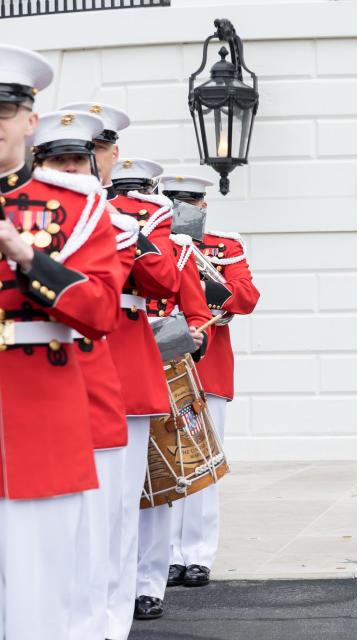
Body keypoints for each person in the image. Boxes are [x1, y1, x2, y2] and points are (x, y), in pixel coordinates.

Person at [0, 46, 123, 639]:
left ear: (29, 118)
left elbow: (100, 311)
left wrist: (28, 257)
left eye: (3, 109)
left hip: (39, 419)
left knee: (43, 597)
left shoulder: (74, 206)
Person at [164, 174, 260, 586]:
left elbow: (247, 297)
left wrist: (201, 285)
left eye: (191, 201)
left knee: (203, 462)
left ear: (204, 205)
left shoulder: (224, 245)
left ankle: (198, 554)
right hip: (163, 362)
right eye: (176, 201)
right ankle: (166, 554)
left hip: (208, 367)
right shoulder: (153, 244)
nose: (185, 208)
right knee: (166, 463)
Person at [106, 157, 182, 640]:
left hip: (134, 351)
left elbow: (169, 283)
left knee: (139, 491)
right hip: (78, 354)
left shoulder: (150, 217)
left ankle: (140, 587)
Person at [134, 179, 212, 620]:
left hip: (163, 367)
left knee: (161, 479)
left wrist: (191, 334)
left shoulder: (174, 244)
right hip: (112, 364)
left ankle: (149, 582)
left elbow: (195, 308)